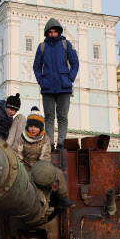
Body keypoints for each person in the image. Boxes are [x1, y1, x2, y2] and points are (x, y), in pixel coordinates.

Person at [14, 108, 75, 207]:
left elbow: (45, 157)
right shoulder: (21, 138)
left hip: (40, 166)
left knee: (58, 174)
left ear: (41, 128)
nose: (33, 129)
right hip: (25, 167)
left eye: (36, 127)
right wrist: (22, 168)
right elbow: (17, 154)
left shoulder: (45, 139)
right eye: (31, 126)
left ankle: (63, 198)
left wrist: (41, 171)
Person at [33, 18, 79, 150]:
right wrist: (41, 81)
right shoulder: (42, 47)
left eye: (55, 32)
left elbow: (75, 63)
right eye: (50, 32)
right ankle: (49, 144)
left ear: (59, 32)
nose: (53, 34)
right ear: (46, 33)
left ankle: (61, 143)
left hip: (64, 86)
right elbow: (36, 66)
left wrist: (70, 78)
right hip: (47, 87)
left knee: (62, 116)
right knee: (49, 117)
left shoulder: (66, 44)